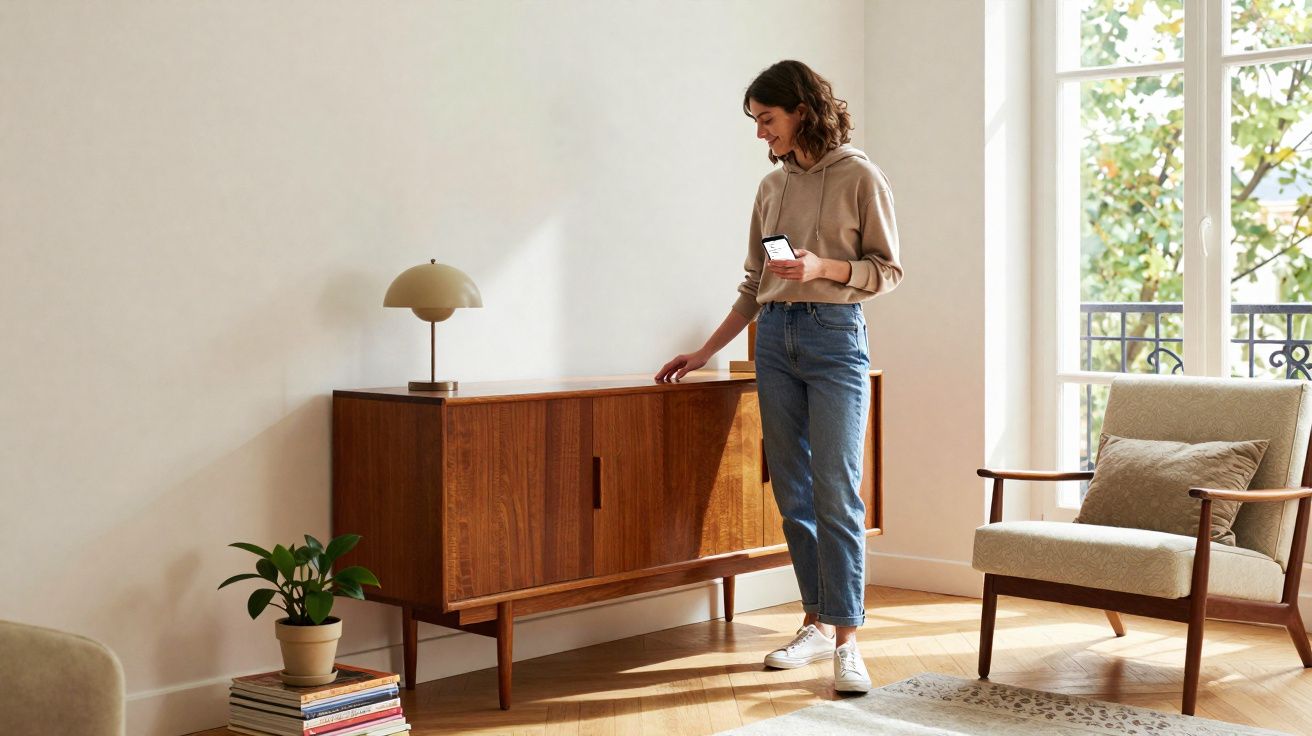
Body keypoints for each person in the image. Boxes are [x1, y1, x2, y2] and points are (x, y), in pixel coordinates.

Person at [654, 60, 903, 693]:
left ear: (800, 110)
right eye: (757, 123)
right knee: (793, 492)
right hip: (775, 343)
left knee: (836, 489)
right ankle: (815, 623)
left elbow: (887, 270)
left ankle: (849, 640)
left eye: (767, 120)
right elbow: (753, 284)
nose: (762, 134)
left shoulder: (859, 175)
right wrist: (703, 353)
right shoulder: (771, 188)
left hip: (835, 338)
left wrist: (825, 266)